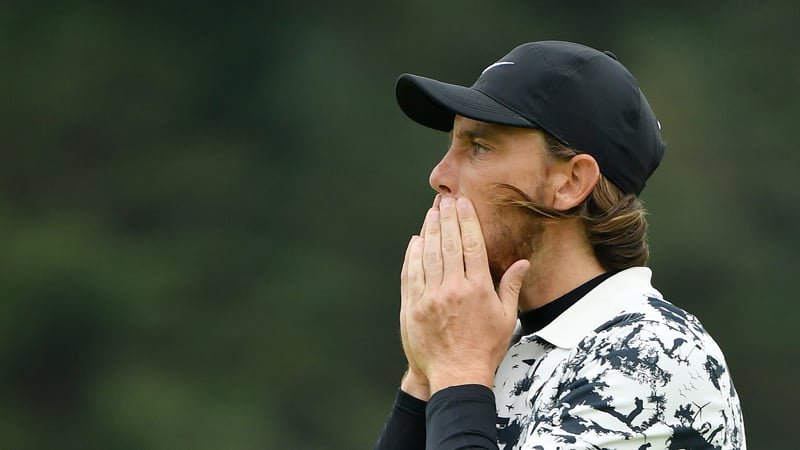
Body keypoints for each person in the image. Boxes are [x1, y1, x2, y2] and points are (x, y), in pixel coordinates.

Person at [373, 41, 746, 450]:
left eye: (478, 146)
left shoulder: (656, 354)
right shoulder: (491, 348)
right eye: (453, 145)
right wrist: (423, 377)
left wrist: (457, 366)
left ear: (570, 183)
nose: (439, 174)